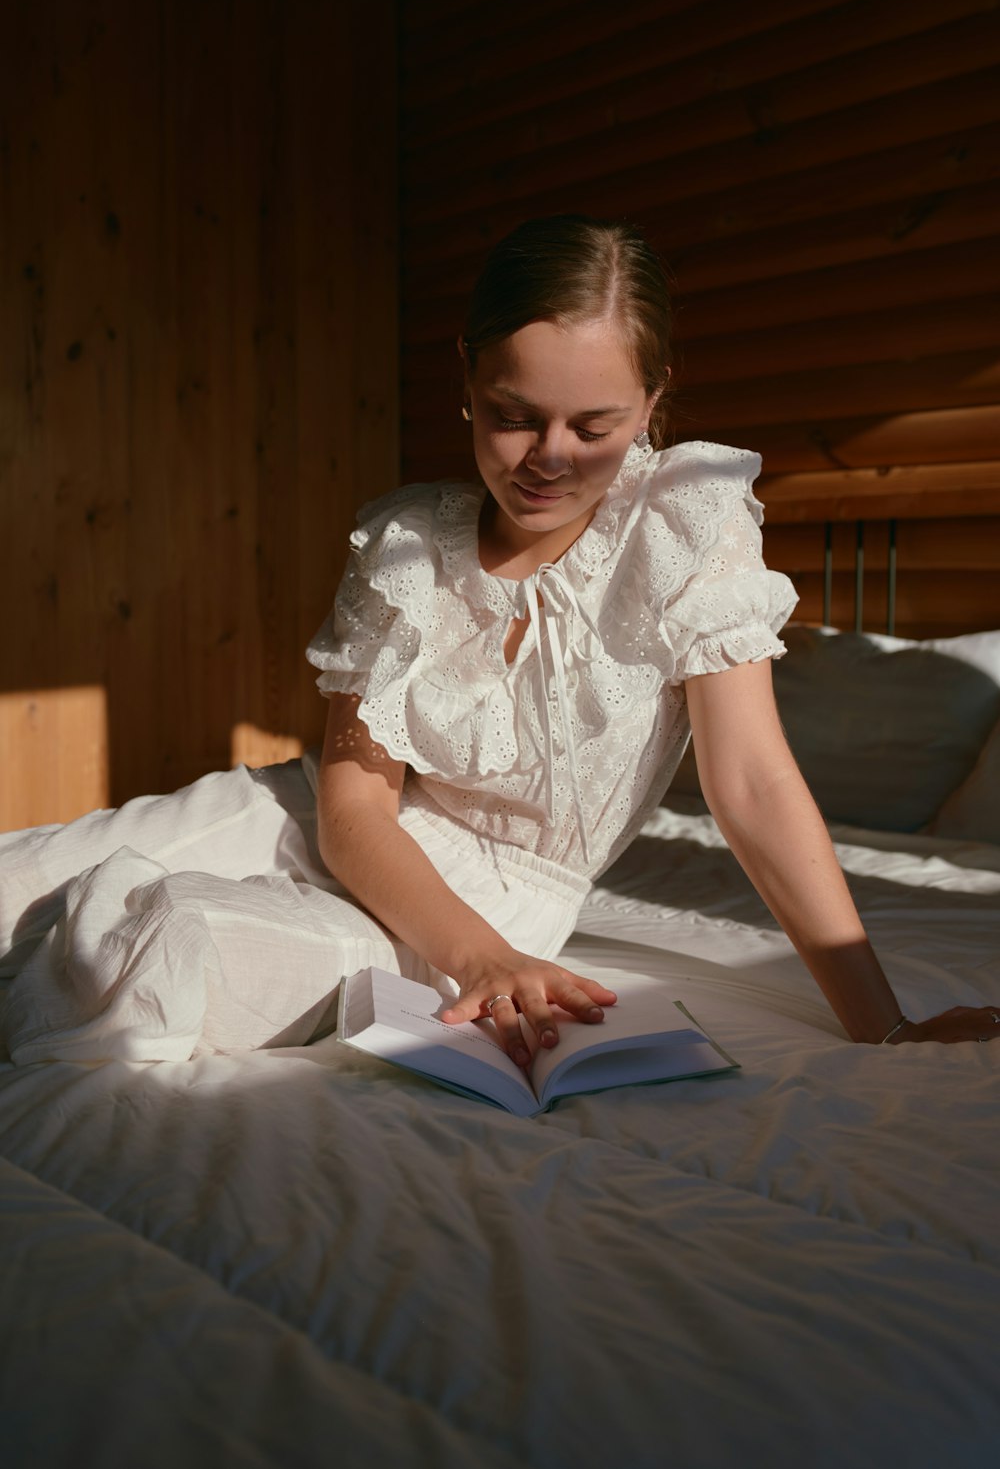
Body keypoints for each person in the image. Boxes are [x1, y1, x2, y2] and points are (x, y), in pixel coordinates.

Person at [2, 215, 997, 1064]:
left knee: (137, 943)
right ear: (468, 384)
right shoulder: (402, 541)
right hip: (306, 814)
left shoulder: (689, 523)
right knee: (21, 876)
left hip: (484, 908)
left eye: (594, 424)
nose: (548, 459)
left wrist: (887, 1026)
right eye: (516, 416)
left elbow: (753, 786)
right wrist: (479, 964)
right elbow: (351, 807)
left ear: (652, 405)